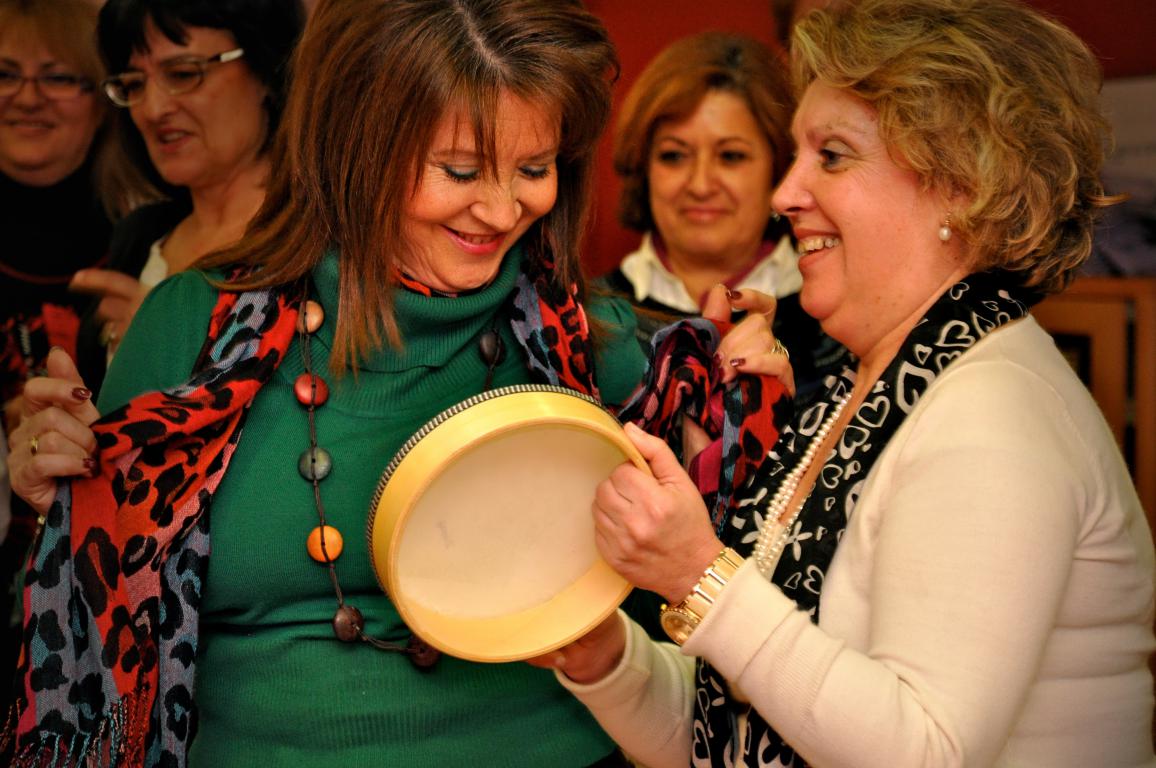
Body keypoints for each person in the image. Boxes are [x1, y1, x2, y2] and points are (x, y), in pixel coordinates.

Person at [2, 0, 786, 766]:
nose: (502, 209)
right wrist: (59, 497)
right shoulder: (191, 329)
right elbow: (101, 621)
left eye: (534, 168)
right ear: (356, 148)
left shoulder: (596, 347)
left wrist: (738, 436)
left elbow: (717, 639)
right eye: (460, 170)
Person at [539, 1, 1156, 766]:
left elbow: (923, 751)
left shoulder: (993, 413)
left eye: (831, 156)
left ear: (959, 185)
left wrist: (699, 574)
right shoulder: (860, 389)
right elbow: (744, 729)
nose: (785, 194)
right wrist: (603, 657)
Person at [69, 0, 304, 399]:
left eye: (183, 74)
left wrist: (167, 340)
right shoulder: (140, 236)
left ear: (267, 71)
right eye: (134, 85)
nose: (153, 109)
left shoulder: (314, 237)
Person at [601, 32, 841, 399]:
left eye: (731, 156)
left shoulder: (838, 319)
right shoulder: (588, 317)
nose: (700, 185)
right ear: (644, 167)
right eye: (674, 156)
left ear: (779, 167)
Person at [0, 0, 111, 728]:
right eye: (5, 74)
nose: (27, 97)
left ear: (103, 98)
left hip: (85, 595)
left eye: (58, 77)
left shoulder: (149, 234)